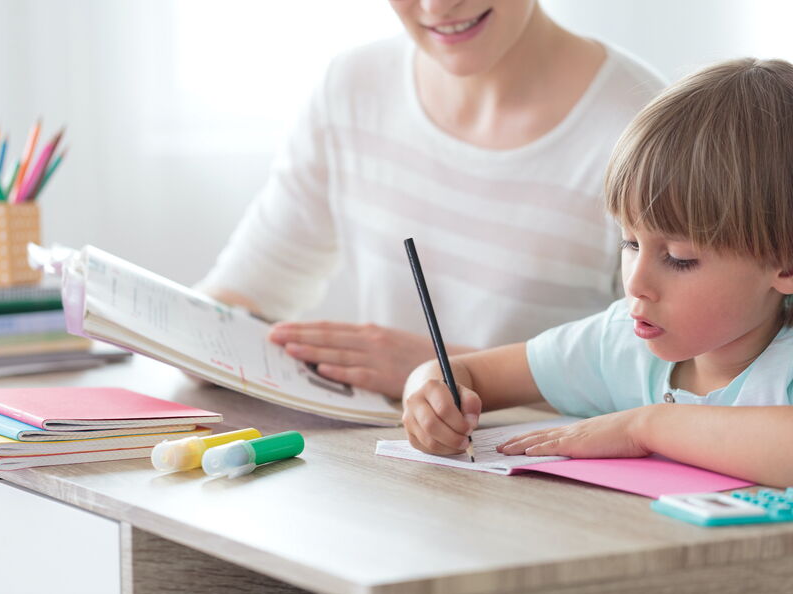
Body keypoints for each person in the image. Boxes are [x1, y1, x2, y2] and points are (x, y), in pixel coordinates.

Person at [198, 0, 664, 398]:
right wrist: (191, 339)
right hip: (388, 466)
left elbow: (672, 380)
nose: (437, 7)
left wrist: (447, 369)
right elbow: (248, 288)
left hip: (550, 485)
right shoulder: (352, 87)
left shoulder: (648, 133)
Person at [401, 58, 793, 488]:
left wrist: (645, 427)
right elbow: (465, 373)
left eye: (679, 258)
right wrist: (429, 395)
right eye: (630, 243)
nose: (636, 283)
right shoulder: (620, 342)